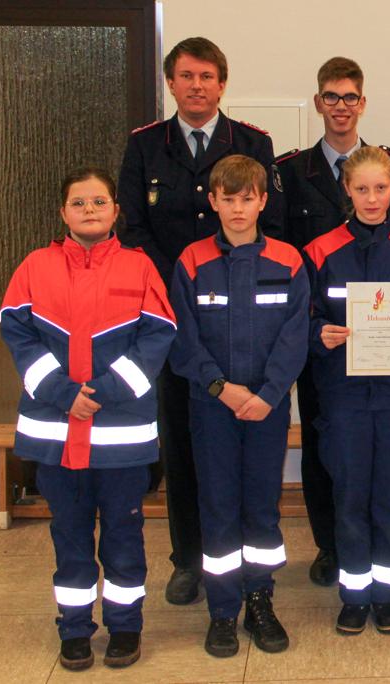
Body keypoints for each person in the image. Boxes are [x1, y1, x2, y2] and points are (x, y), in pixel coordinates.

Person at [117, 36, 279, 605]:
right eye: (186, 76)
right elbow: (132, 230)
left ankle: (250, 562)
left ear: (222, 84)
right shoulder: (144, 146)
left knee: (247, 445)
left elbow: (271, 229)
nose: (197, 86)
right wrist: (181, 286)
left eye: (207, 76)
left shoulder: (253, 143)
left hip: (244, 318)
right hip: (171, 318)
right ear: (171, 83)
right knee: (183, 439)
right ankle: (189, 558)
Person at [0, 167, 176, 670]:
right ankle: (74, 629)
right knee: (70, 538)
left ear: (116, 210)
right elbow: (17, 333)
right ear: (63, 212)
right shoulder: (34, 266)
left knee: (123, 537)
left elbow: (158, 334)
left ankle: (125, 627)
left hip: (120, 438)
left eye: (99, 202)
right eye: (79, 203)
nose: (89, 211)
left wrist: (100, 393)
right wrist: (62, 394)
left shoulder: (139, 267)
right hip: (56, 437)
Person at [273, 56, 390, 588]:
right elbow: (286, 259)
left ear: (362, 103)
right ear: (318, 102)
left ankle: (377, 553)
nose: (341, 106)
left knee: (387, 465)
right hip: (328, 352)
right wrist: (313, 333)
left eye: (350, 97)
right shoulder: (289, 172)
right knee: (323, 451)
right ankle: (331, 547)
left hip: (389, 363)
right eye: (331, 96)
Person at [168, 155, 309, 656]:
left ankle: (259, 602)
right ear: (213, 202)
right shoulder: (191, 261)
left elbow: (295, 337)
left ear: (263, 201)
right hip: (212, 407)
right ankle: (223, 611)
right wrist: (219, 387)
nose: (237, 208)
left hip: (267, 409)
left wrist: (269, 394)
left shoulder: (289, 261)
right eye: (227, 199)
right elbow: (182, 337)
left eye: (247, 198)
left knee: (261, 507)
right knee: (219, 506)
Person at [304, 146, 390, 634]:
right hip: (344, 396)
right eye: (362, 189)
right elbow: (304, 317)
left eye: (380, 188)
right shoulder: (320, 251)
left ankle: (388, 594)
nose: (372, 198)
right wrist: (319, 334)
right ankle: (355, 595)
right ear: (347, 190)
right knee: (351, 496)